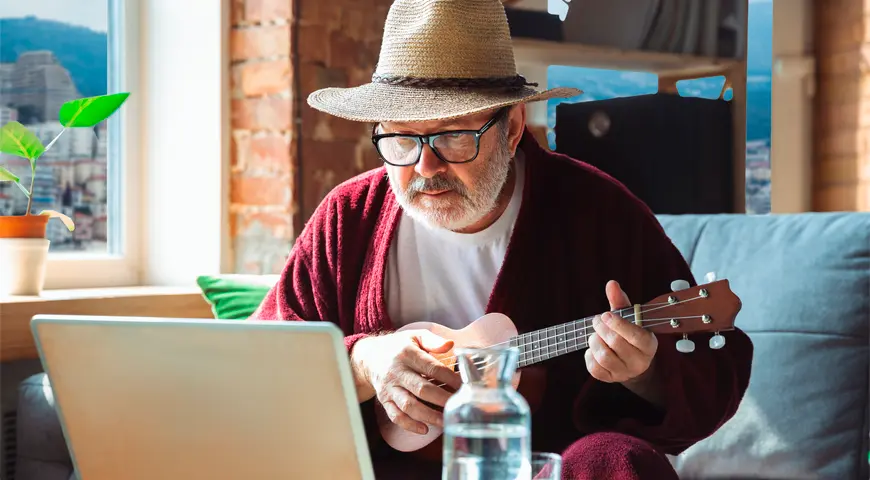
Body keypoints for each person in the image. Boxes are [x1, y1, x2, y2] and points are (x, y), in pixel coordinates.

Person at [250, 0, 754, 478]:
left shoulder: (598, 209)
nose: (425, 166)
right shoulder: (349, 215)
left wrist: (645, 372)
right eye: (402, 138)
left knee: (614, 461)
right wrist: (364, 360)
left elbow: (713, 369)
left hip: (540, 466)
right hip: (386, 469)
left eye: (452, 135)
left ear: (511, 127)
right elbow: (262, 359)